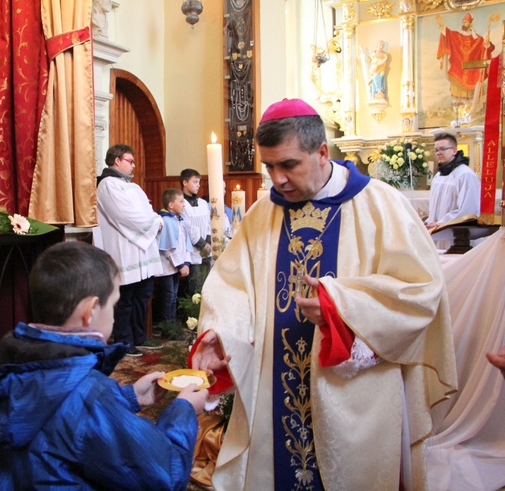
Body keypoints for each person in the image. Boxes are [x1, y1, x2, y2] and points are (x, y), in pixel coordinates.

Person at [190, 98, 457, 490]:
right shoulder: (263, 214)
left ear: (321, 153)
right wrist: (218, 334)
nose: (277, 179)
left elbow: (420, 291)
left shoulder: (381, 205)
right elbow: (233, 287)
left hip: (355, 391)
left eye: (288, 165)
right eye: (269, 167)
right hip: (274, 387)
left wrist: (341, 307)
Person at [0, 242, 208, 489]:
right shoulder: (90, 395)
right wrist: (184, 410)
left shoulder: (9, 367)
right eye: (113, 305)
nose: (114, 316)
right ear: (90, 311)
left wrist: (127, 397)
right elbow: (164, 473)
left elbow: (58, 421)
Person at [94, 144, 164, 356]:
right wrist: (154, 223)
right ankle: (124, 342)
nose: (133, 165)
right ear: (117, 161)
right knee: (125, 300)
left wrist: (155, 219)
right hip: (124, 249)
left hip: (142, 249)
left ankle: (140, 337)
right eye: (130, 161)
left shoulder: (133, 186)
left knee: (142, 296)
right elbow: (125, 215)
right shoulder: (107, 185)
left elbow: (148, 211)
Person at [437, 12, 497, 125]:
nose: (464, 23)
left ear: (470, 23)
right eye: (463, 21)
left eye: (466, 22)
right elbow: (448, 34)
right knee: (456, 94)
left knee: (469, 95)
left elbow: (488, 48)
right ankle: (457, 117)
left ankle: (469, 116)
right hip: (457, 69)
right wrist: (441, 24)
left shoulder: (478, 39)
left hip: (472, 73)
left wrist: (487, 45)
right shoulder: (456, 36)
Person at [425, 132, 480, 230]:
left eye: (442, 149)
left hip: (456, 234)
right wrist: (430, 221)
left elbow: (467, 210)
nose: (438, 153)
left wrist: (440, 223)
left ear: (454, 151)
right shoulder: (438, 176)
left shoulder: (465, 175)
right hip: (437, 231)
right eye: (436, 150)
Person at [156, 188, 193, 325]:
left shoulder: (179, 220)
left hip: (178, 266)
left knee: (173, 296)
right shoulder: (165, 220)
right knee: (168, 296)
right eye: (181, 201)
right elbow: (168, 248)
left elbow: (185, 243)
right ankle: (167, 326)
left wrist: (186, 263)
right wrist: (180, 264)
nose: (184, 204)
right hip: (168, 267)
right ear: (171, 205)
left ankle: (172, 324)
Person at [180, 168, 212, 295]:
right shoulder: (182, 204)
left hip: (206, 252)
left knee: (207, 287)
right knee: (195, 289)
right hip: (193, 252)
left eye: (199, 182)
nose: (198, 185)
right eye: (195, 182)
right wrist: (203, 244)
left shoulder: (203, 203)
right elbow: (187, 227)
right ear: (185, 183)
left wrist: (208, 242)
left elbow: (209, 223)